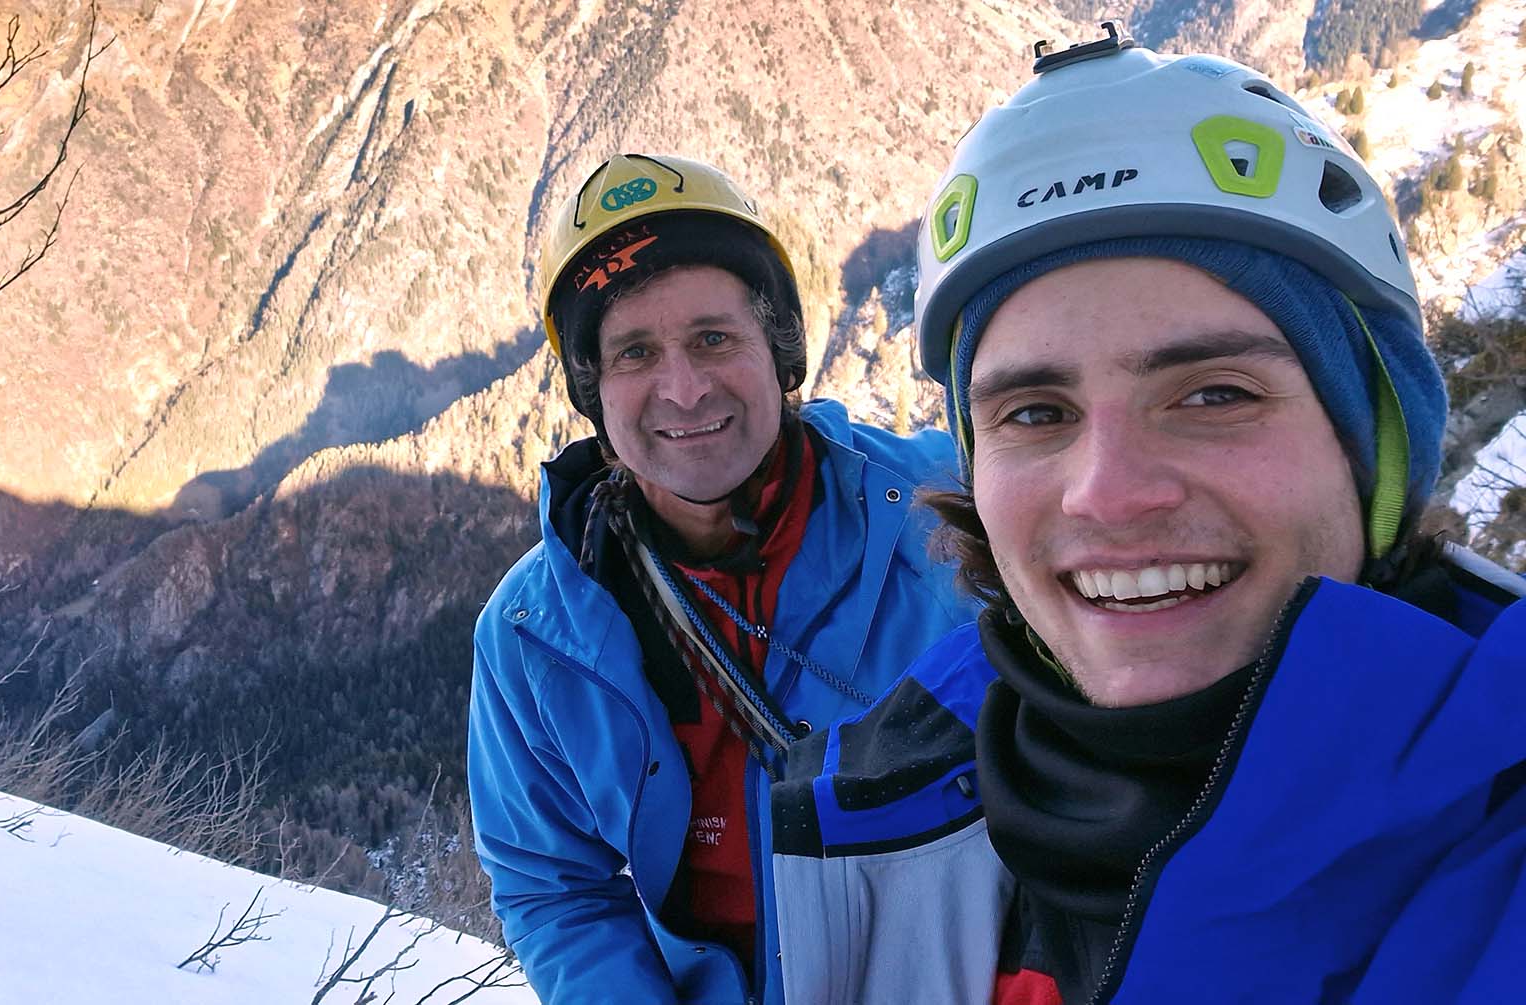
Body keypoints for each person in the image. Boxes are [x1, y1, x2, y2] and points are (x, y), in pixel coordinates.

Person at [770, 25, 1526, 1005]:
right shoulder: (883, 805)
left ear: (1369, 446)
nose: (1110, 493)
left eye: (1214, 395)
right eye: (1035, 413)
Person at [467, 154, 975, 1004]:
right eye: (634, 352)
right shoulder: (533, 636)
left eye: (713, 337)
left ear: (778, 351)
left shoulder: (953, 517)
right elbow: (557, 884)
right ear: (595, 391)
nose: (683, 388)